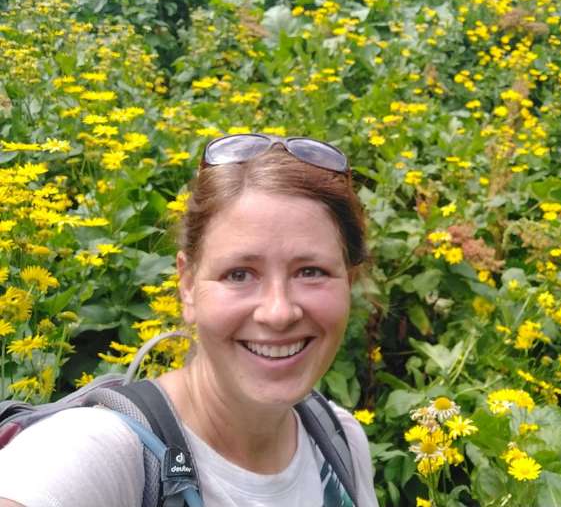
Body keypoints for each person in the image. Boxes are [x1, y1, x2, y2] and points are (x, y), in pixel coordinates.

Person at [0, 134, 379, 507]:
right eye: (239, 274)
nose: (278, 312)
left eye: (310, 271)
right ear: (187, 285)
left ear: (348, 281)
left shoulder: (338, 439)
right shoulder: (100, 452)